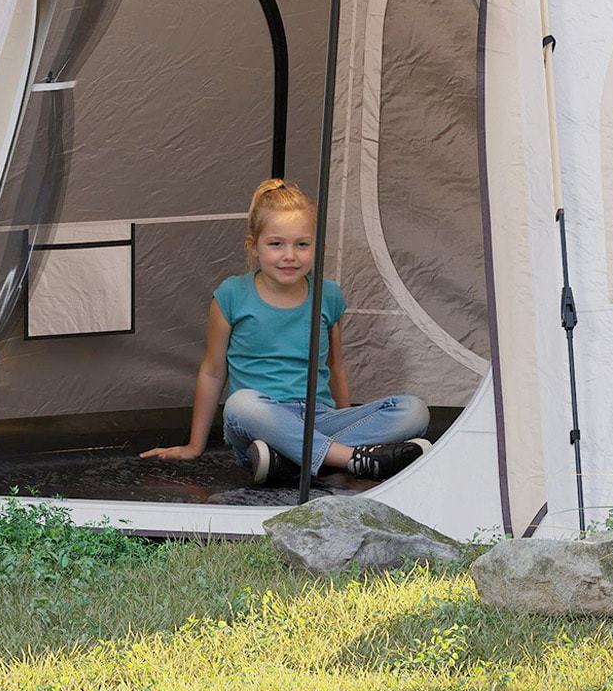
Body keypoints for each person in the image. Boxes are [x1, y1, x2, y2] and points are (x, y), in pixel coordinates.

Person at [141, 176, 432, 486]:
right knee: (240, 404)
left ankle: (296, 461)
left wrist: (345, 418)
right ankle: (349, 459)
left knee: (414, 411)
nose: (290, 255)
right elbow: (212, 373)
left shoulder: (328, 296)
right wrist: (194, 446)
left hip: (319, 421)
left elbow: (336, 367)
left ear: (317, 247)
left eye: (302, 244)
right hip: (260, 427)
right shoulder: (231, 296)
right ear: (253, 246)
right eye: (276, 244)